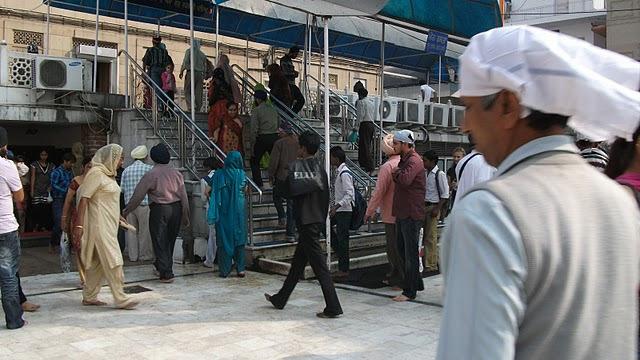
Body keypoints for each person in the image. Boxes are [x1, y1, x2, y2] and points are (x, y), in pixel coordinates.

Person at [437, 25, 640, 360]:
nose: (465, 125)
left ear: (506, 106)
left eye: (470, 107)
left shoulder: (490, 214)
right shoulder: (618, 201)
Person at [264, 131, 343, 319]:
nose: (297, 149)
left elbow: (287, 190)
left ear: (304, 148)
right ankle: (280, 298)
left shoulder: (300, 168)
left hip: (307, 224)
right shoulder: (320, 169)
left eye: (299, 146)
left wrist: (279, 177)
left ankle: (333, 307)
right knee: (297, 266)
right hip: (314, 221)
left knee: (320, 268)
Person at [74, 144, 138, 310]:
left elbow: (106, 201)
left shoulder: (108, 176)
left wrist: (118, 217)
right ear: (111, 157)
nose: (121, 162)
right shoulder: (96, 173)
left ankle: (89, 296)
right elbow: (84, 199)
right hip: (98, 226)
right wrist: (79, 226)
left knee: (97, 263)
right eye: (120, 158)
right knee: (114, 259)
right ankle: (121, 297)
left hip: (109, 225)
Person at [123, 143, 190, 283]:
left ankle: (166, 273)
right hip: (176, 209)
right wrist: (185, 215)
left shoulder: (151, 174)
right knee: (169, 240)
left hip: (160, 209)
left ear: (153, 158)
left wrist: (127, 209)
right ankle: (161, 266)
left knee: (159, 240)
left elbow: (138, 195)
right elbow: (184, 196)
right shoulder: (177, 174)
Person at [364, 134, 403, 288]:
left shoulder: (387, 166)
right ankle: (398, 275)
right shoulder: (407, 163)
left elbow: (379, 191)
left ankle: (399, 278)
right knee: (401, 247)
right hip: (404, 213)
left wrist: (369, 211)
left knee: (393, 248)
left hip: (390, 214)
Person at [391, 130, 425, 302]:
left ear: (405, 144)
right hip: (404, 212)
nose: (393, 146)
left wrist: (396, 173)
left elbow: (404, 180)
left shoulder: (414, 161)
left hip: (411, 213)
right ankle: (416, 283)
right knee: (403, 250)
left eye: (396, 143)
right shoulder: (405, 160)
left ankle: (409, 291)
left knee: (410, 253)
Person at [0, 127, 26, 329]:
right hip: (4, 227)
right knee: (8, 275)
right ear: (4, 145)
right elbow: (20, 196)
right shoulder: (6, 165)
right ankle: (14, 320)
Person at [208, 151, 247, 278]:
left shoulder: (219, 175)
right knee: (239, 239)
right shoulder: (242, 175)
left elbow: (208, 191)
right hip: (239, 214)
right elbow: (245, 190)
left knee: (223, 240)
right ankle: (241, 269)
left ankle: (224, 270)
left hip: (223, 214)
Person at [61, 156, 92, 285]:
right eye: (89, 166)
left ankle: (93, 277)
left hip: (95, 219)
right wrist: (64, 219)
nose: (91, 169)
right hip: (79, 218)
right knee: (80, 247)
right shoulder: (77, 181)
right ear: (83, 167)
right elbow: (68, 201)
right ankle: (83, 278)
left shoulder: (99, 181)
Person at [121, 145, 154, 262]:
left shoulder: (126, 170)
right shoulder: (149, 169)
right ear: (145, 156)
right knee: (145, 232)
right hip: (144, 204)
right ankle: (145, 256)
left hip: (129, 206)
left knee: (131, 232)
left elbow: (122, 189)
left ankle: (133, 256)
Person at [268, 121, 299, 242]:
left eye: (279, 131)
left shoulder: (279, 143)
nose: (277, 133)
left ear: (283, 132)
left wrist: (271, 175)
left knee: (276, 196)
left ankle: (282, 217)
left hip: (283, 176)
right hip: (296, 176)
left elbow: (274, 162)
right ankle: (290, 234)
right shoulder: (298, 141)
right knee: (292, 205)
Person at [421, 150, 449, 273]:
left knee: (430, 237)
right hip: (423, 206)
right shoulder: (424, 173)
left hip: (433, 206)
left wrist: (438, 208)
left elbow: (445, 194)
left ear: (432, 161)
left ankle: (431, 264)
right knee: (423, 235)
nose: (423, 162)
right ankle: (426, 261)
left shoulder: (439, 174)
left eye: (425, 160)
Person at [329, 146, 354, 279]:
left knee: (343, 239)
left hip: (344, 211)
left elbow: (349, 194)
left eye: (332, 157)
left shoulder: (344, 173)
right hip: (339, 210)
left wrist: (337, 206)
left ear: (336, 158)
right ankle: (339, 253)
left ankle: (344, 268)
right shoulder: (339, 172)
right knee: (327, 227)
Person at [249, 89, 280, 188]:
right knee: (276, 160)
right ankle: (277, 182)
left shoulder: (256, 110)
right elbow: (278, 123)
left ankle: (258, 183)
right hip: (274, 137)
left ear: (257, 99)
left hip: (262, 137)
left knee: (254, 161)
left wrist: (252, 143)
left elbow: (253, 128)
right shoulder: (274, 109)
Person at [454, 136, 496, 204]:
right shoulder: (485, 162)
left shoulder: (461, 162)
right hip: (475, 209)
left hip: (460, 206)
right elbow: (483, 192)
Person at [50, 152, 76, 261]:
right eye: (71, 163)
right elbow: (53, 185)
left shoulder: (71, 173)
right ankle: (53, 242)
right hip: (59, 199)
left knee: (70, 222)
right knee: (58, 221)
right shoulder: (56, 172)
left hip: (69, 199)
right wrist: (67, 191)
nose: (72, 165)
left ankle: (67, 245)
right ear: (65, 161)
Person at [201, 157, 221, 268]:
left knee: (212, 235)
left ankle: (209, 260)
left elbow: (203, 198)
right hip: (224, 208)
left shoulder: (205, 179)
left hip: (211, 209)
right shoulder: (223, 175)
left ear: (207, 167)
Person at [353, 81, 377, 173]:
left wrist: (356, 126)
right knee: (367, 145)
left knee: (363, 146)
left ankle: (368, 166)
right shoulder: (371, 102)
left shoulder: (361, 102)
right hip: (371, 124)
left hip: (364, 124)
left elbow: (360, 115)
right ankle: (367, 165)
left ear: (360, 94)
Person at [30, 149, 53, 235]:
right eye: (42, 154)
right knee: (36, 209)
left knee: (45, 210)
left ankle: (43, 226)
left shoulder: (51, 165)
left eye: (45, 154)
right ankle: (35, 226)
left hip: (46, 190)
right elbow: (33, 177)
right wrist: (32, 190)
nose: (44, 156)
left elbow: (52, 177)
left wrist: (50, 187)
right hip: (37, 190)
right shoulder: (34, 165)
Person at [179, 39, 207, 112]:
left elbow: (185, 62)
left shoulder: (189, 51)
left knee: (187, 90)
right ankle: (198, 108)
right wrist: (204, 75)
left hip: (191, 72)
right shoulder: (202, 54)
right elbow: (205, 67)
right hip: (200, 74)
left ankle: (191, 106)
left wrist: (181, 71)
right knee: (198, 93)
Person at [207, 68, 234, 140]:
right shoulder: (227, 85)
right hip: (227, 107)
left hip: (217, 108)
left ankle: (213, 139)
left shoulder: (215, 85)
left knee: (215, 125)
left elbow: (211, 99)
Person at [279, 46, 305, 114]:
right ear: (292, 53)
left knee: (298, 100)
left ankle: (291, 114)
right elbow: (285, 72)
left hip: (291, 84)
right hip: (287, 84)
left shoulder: (289, 60)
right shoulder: (284, 60)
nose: (296, 56)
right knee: (298, 100)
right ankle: (290, 115)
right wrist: (294, 74)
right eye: (296, 54)